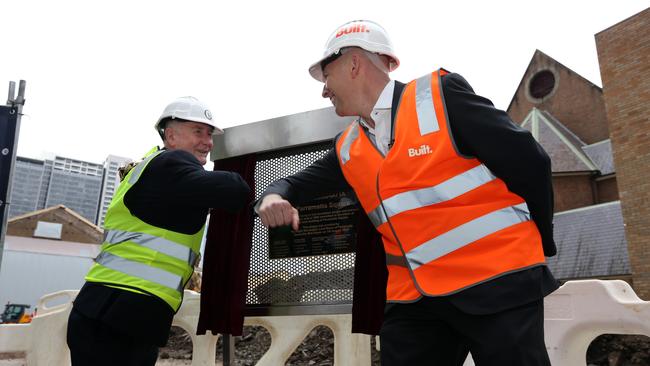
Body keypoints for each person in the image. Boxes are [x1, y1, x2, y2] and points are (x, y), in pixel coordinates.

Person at [257, 20, 559, 365]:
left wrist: (541, 241)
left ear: (353, 64)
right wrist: (272, 197)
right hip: (415, 302)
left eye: (326, 76)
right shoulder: (347, 148)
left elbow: (530, 161)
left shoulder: (440, 96)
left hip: (497, 282)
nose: (324, 90)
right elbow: (292, 184)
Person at [66, 96, 251, 366]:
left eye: (210, 134)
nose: (208, 142)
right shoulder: (171, 163)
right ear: (171, 136)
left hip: (110, 313)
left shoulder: (154, 169)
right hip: (120, 316)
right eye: (198, 131)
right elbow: (236, 191)